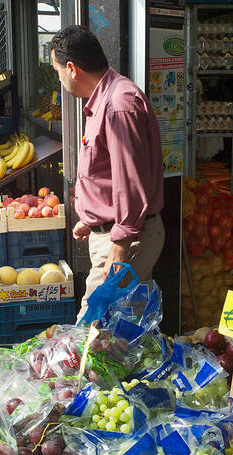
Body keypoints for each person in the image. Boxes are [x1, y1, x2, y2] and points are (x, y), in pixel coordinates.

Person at [49, 25, 165, 319]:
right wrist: (92, 217)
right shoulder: (106, 99)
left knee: (91, 332)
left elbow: (131, 180)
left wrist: (120, 243)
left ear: (72, 69)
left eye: (58, 71)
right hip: (116, 232)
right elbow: (110, 175)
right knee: (127, 332)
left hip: (124, 239)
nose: (59, 78)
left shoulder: (117, 105)